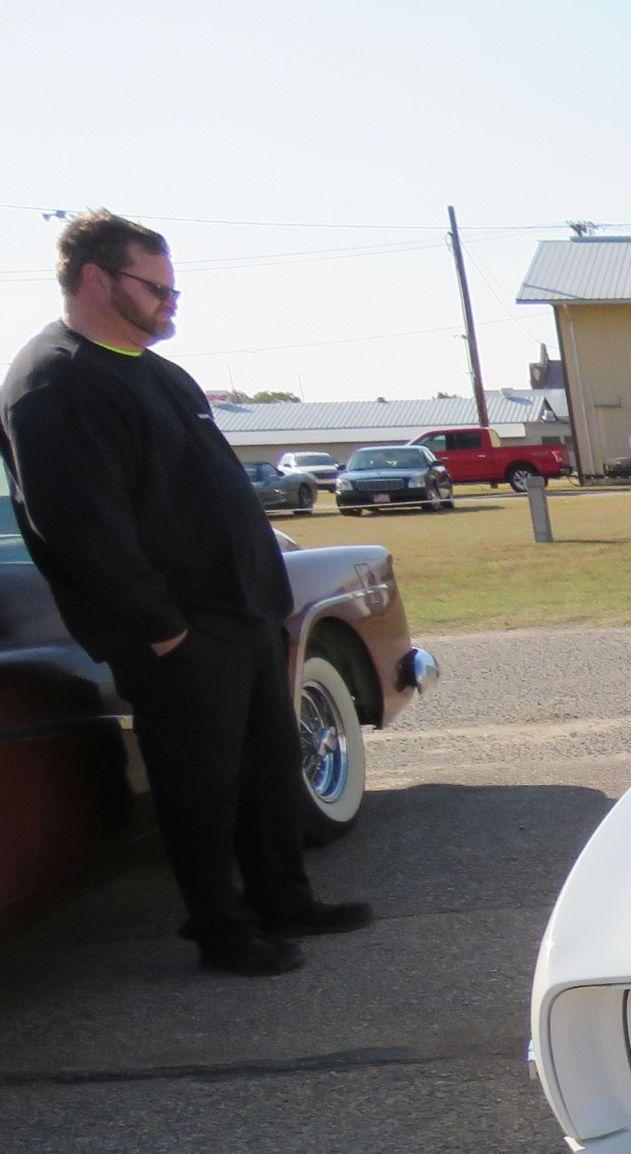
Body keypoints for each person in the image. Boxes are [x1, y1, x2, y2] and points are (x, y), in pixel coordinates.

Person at [0, 210, 368, 976]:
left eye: (174, 289)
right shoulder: (54, 381)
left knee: (270, 769)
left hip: (244, 615)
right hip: (178, 633)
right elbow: (79, 527)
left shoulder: (157, 371)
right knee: (201, 788)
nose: (172, 303)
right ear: (97, 280)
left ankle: (285, 900)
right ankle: (222, 930)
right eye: (156, 287)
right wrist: (163, 629)